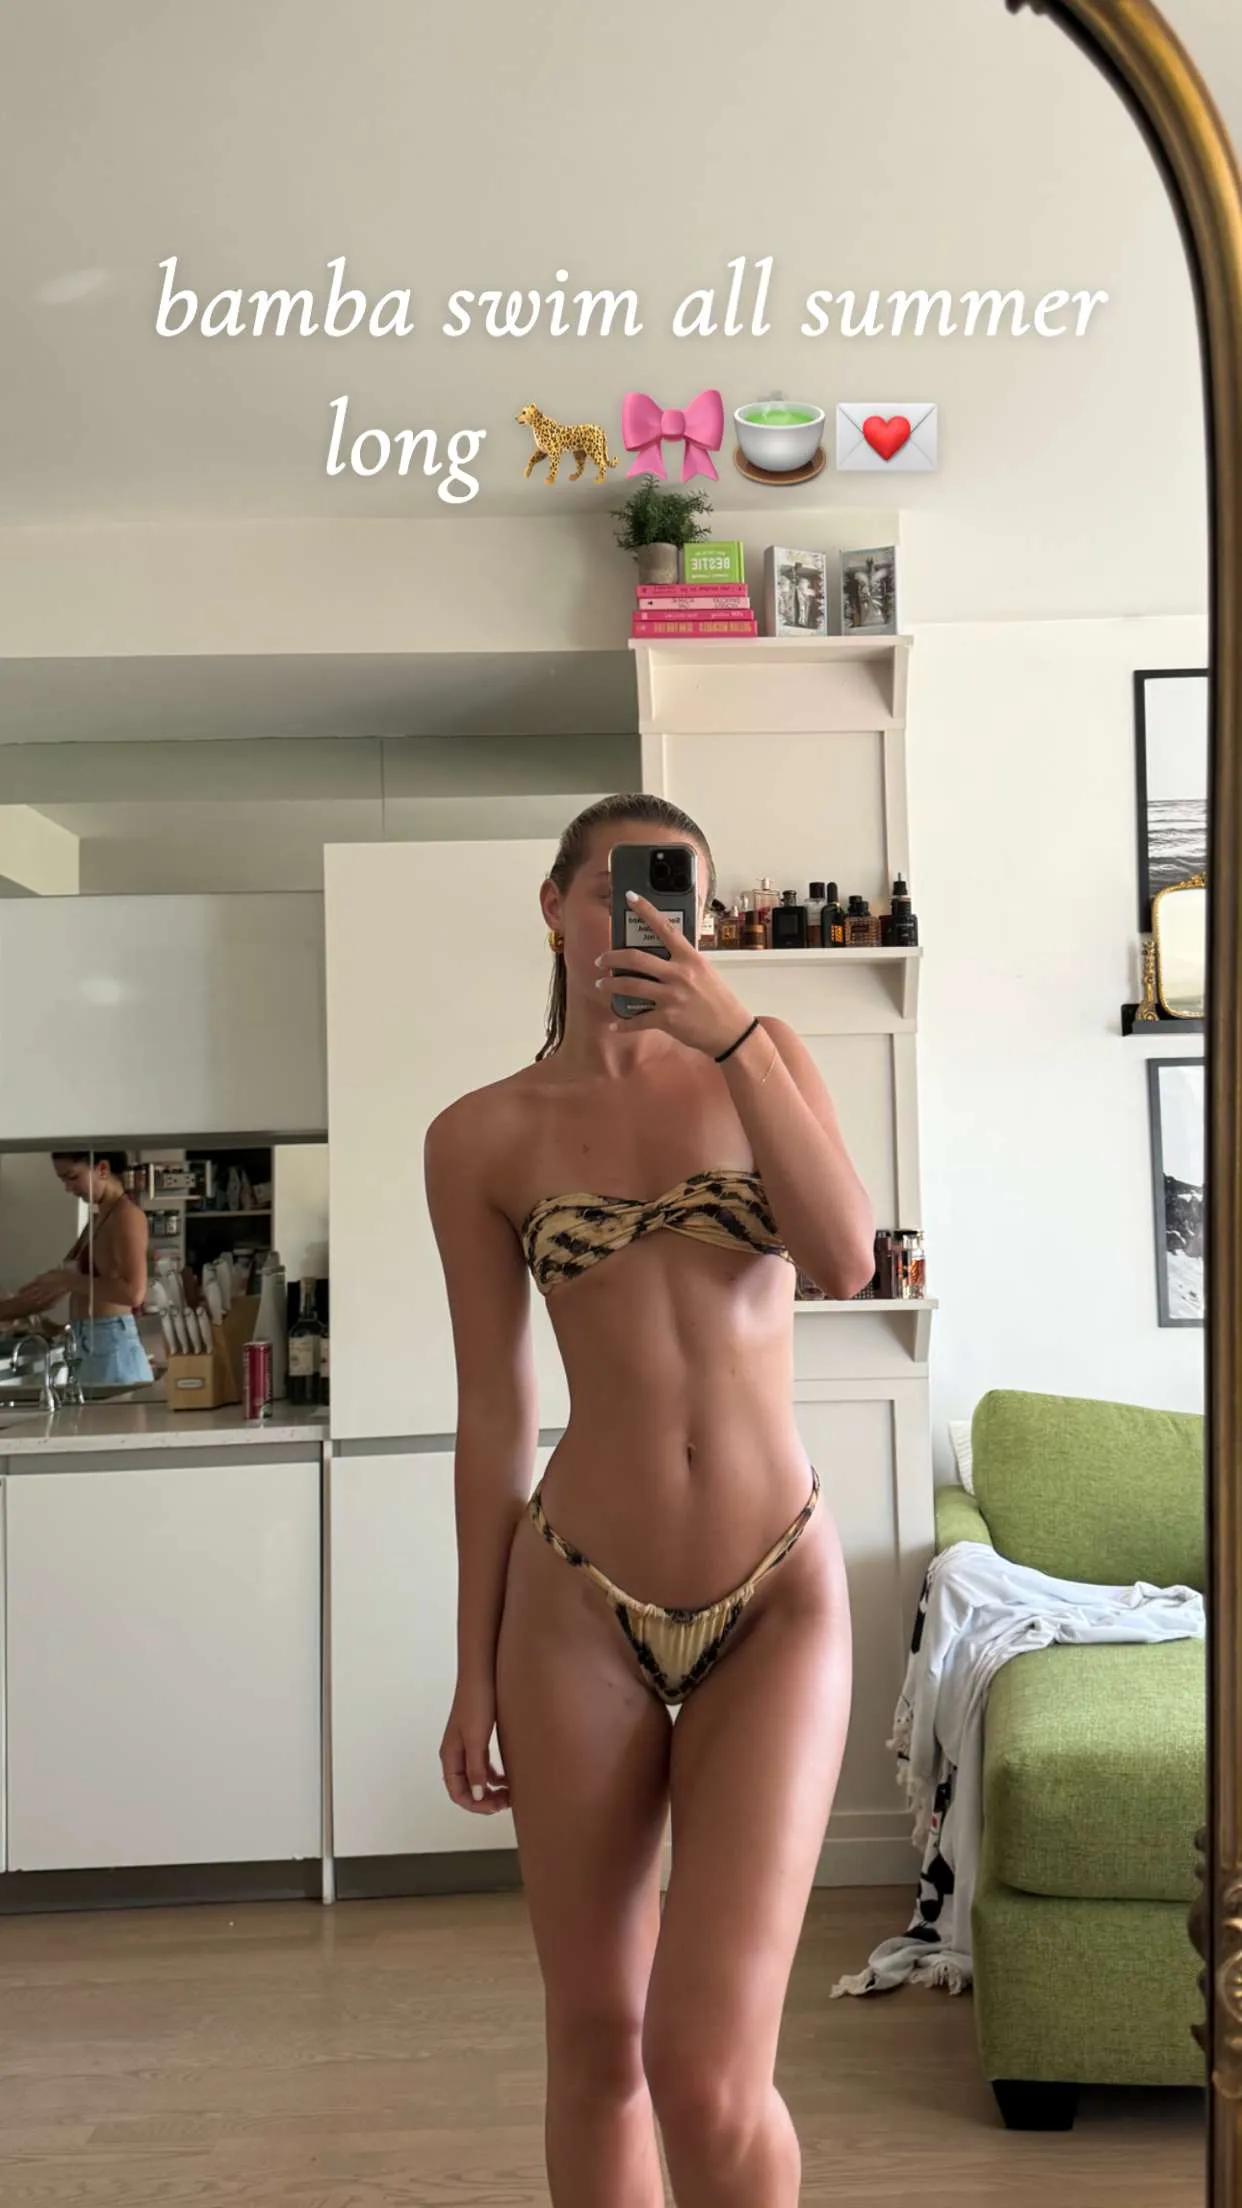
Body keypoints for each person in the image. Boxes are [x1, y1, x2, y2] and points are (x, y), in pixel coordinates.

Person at [423, 794, 875, 2207]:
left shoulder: (763, 1058)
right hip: (574, 1604)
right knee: (595, 2050)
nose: (645, 920)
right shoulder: (479, 1136)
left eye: (676, 894)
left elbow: (844, 1260)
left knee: (706, 2067)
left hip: (774, 1598)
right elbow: (494, 1412)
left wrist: (732, 1038)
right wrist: (471, 1666)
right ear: (553, 906)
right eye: (617, 891)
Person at [0, 1151, 154, 1389]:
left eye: (72, 1177)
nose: (68, 1188)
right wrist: (11, 1309)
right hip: (90, 1347)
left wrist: (67, 1280)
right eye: (63, 1180)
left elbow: (134, 1293)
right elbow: (49, 1289)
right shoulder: (97, 1221)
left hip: (113, 1350)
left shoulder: (127, 1216)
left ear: (102, 1169)